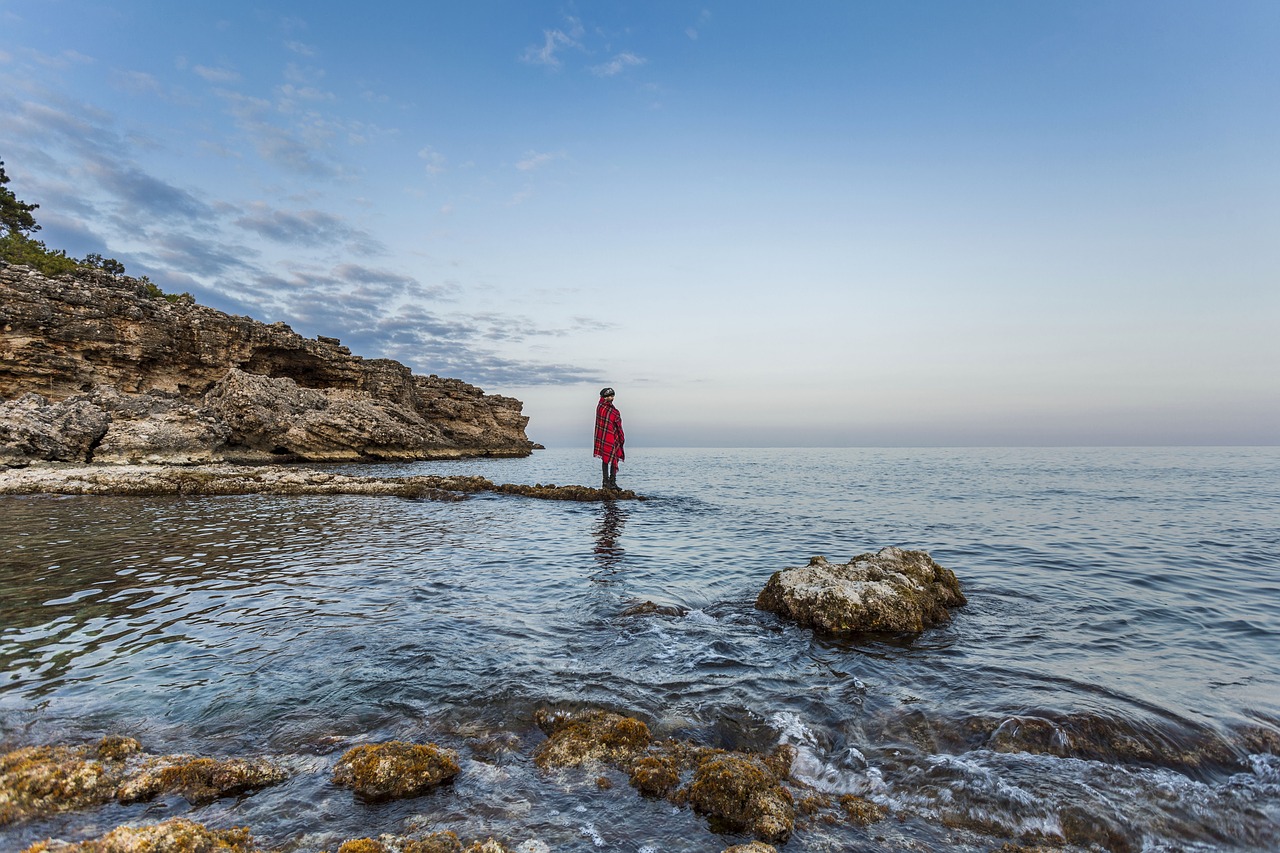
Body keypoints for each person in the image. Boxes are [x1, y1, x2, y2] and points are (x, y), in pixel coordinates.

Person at [593, 387, 625, 491]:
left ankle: (613, 482)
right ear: (603, 397)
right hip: (605, 437)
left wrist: (620, 436)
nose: (611, 398)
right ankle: (605, 482)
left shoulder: (613, 410)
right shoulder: (601, 408)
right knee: (605, 459)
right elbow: (601, 424)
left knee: (614, 458)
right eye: (609, 396)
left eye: (612, 396)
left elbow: (617, 424)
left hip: (613, 436)